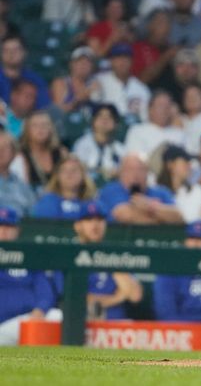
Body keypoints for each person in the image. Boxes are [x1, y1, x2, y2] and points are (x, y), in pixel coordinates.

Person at [0, 207, 61, 346]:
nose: (3, 230)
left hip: (27, 321)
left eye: (9, 226)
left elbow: (45, 291)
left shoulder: (29, 257)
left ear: (17, 230)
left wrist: (40, 310)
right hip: (2, 325)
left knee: (58, 316)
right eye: (0, 226)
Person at [74, 201, 142, 320]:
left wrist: (110, 261)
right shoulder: (70, 254)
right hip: (79, 323)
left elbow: (135, 295)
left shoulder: (112, 254)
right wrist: (118, 297)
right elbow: (76, 298)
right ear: (78, 225)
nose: (95, 225)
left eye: (100, 220)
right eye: (89, 220)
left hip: (116, 326)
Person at [153, 220, 201, 322]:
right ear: (185, 241)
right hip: (180, 328)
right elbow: (166, 314)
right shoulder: (170, 269)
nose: (195, 243)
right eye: (192, 238)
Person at [97, 153, 181, 224]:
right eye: (130, 169)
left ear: (147, 172)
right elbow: (124, 215)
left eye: (140, 169)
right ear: (121, 173)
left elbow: (178, 217)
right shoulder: (111, 191)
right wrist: (161, 218)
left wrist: (149, 206)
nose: (135, 175)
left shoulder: (161, 192)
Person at [91, 42, 151, 123]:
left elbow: (146, 119)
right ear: (111, 61)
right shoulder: (99, 81)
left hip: (133, 132)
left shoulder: (142, 89)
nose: (122, 62)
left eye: (126, 58)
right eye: (118, 58)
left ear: (132, 61)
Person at [11, 110, 66, 194]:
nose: (40, 129)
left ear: (51, 129)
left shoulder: (62, 152)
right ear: (27, 130)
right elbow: (21, 190)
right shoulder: (20, 156)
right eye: (35, 125)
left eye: (44, 125)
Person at [72, 103, 126, 184]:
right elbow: (78, 168)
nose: (105, 119)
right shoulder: (81, 144)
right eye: (100, 116)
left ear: (116, 124)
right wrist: (104, 171)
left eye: (109, 117)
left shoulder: (120, 148)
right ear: (93, 121)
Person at [123, 91, 185, 159]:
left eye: (168, 106)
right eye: (161, 106)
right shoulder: (137, 131)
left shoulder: (179, 134)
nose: (164, 110)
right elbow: (135, 158)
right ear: (150, 109)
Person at [157, 145, 201, 223]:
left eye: (189, 162)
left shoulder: (197, 191)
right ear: (170, 165)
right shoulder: (155, 191)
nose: (189, 166)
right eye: (185, 162)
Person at [0, 132, 36, 215]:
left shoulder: (23, 187)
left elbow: (32, 217)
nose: (0, 151)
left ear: (14, 154)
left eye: (5, 148)